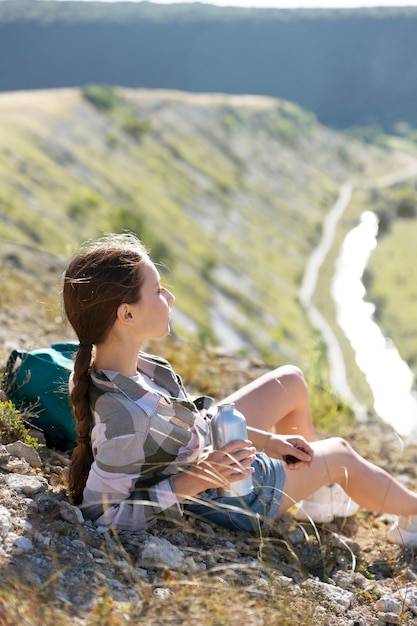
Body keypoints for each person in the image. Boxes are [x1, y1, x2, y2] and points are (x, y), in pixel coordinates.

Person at [62, 233, 417, 546]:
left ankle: (318, 495)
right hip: (234, 497)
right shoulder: (124, 417)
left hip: (208, 452)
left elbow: (191, 424)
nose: (169, 296)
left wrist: (268, 441)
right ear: (126, 315)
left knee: (289, 382)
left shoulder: (121, 369)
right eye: (156, 290)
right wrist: (195, 479)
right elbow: (101, 514)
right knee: (340, 454)